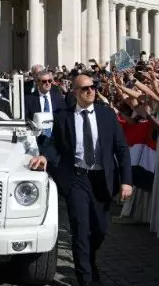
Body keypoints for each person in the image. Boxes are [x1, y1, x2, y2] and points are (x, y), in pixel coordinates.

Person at [29, 74, 132, 286]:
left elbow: (121, 149)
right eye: (85, 89)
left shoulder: (106, 115)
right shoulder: (63, 116)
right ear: (74, 92)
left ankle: (89, 261)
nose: (90, 91)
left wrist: (126, 181)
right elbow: (53, 143)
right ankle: (85, 279)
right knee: (80, 231)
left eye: (93, 87)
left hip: (102, 180)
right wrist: (44, 156)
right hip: (77, 179)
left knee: (100, 230)